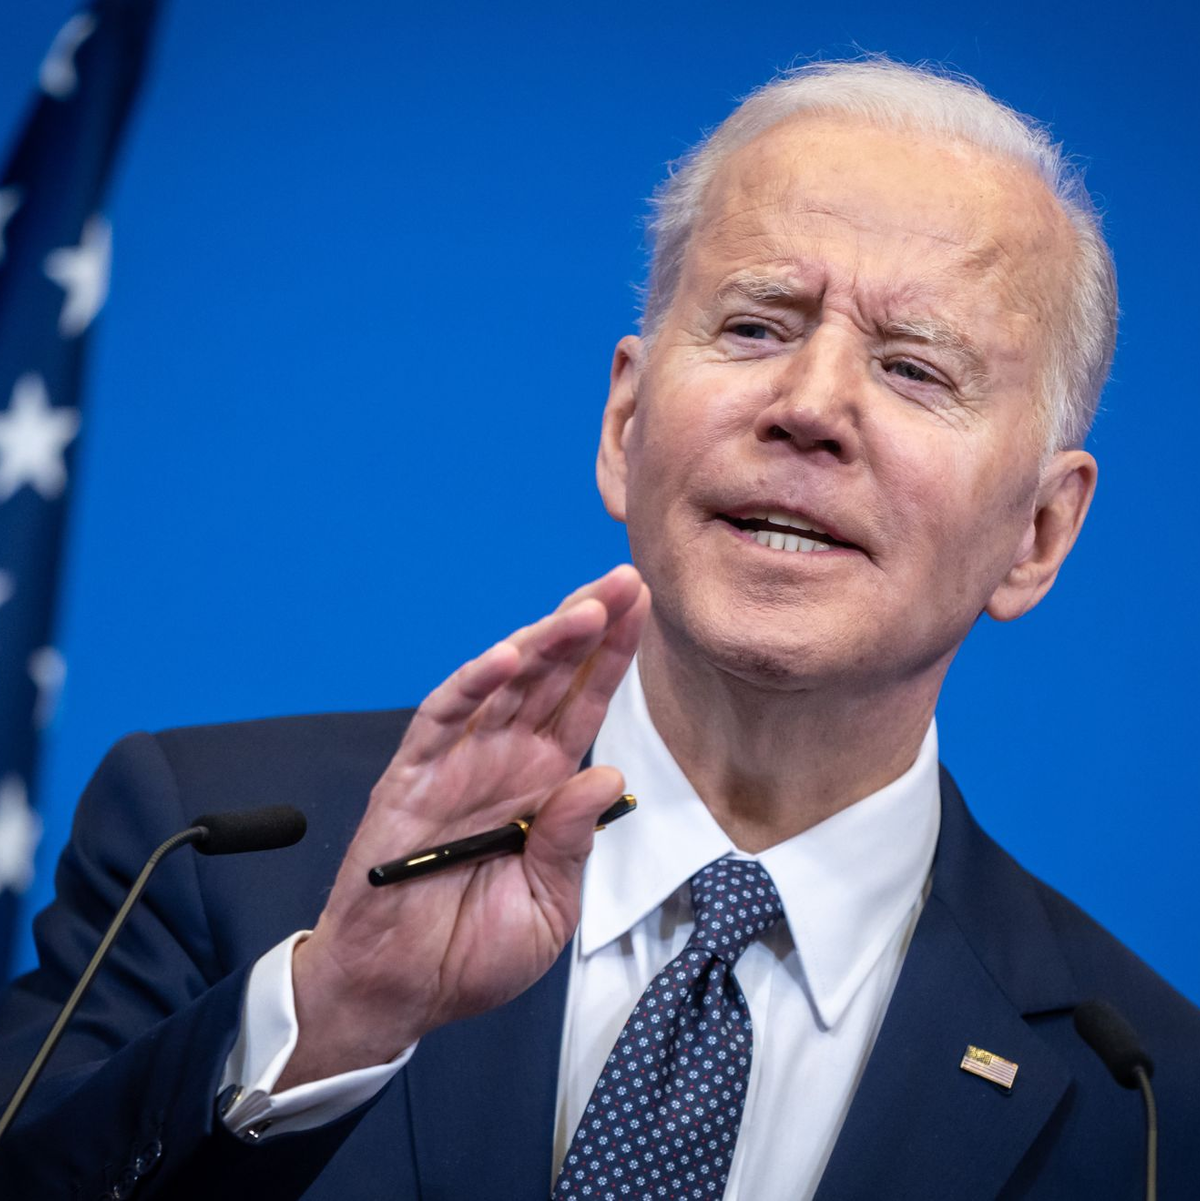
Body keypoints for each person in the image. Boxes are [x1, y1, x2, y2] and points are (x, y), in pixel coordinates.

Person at [2, 57, 1198, 1200]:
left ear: (1039, 533)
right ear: (626, 421)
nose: (812, 405)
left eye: (916, 368)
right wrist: (332, 1016)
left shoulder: (1147, 1096)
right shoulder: (213, 851)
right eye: (756, 326)